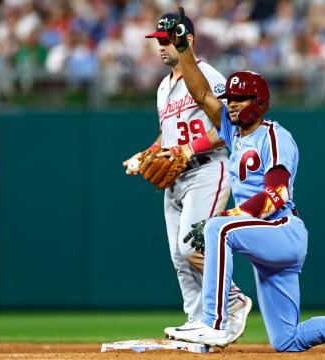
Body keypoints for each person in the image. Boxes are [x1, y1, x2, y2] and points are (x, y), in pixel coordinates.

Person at [162, 8, 325, 352]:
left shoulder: (274, 136)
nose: (232, 105)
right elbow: (203, 94)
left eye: (240, 98)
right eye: (230, 99)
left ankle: (213, 323)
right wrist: (183, 47)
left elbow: (276, 195)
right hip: (266, 240)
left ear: (259, 102)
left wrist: (230, 217)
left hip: (282, 230)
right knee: (287, 340)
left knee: (218, 227)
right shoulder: (234, 135)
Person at [122, 12, 252, 343]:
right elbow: (167, 137)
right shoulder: (163, 87)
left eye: (166, 40)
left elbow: (229, 124)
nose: (161, 47)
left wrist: (188, 150)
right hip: (177, 179)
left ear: (186, 40)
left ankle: (233, 300)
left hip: (209, 168)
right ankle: (196, 323)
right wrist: (146, 153)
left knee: (192, 245)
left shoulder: (206, 73)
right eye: (158, 41)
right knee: (180, 258)